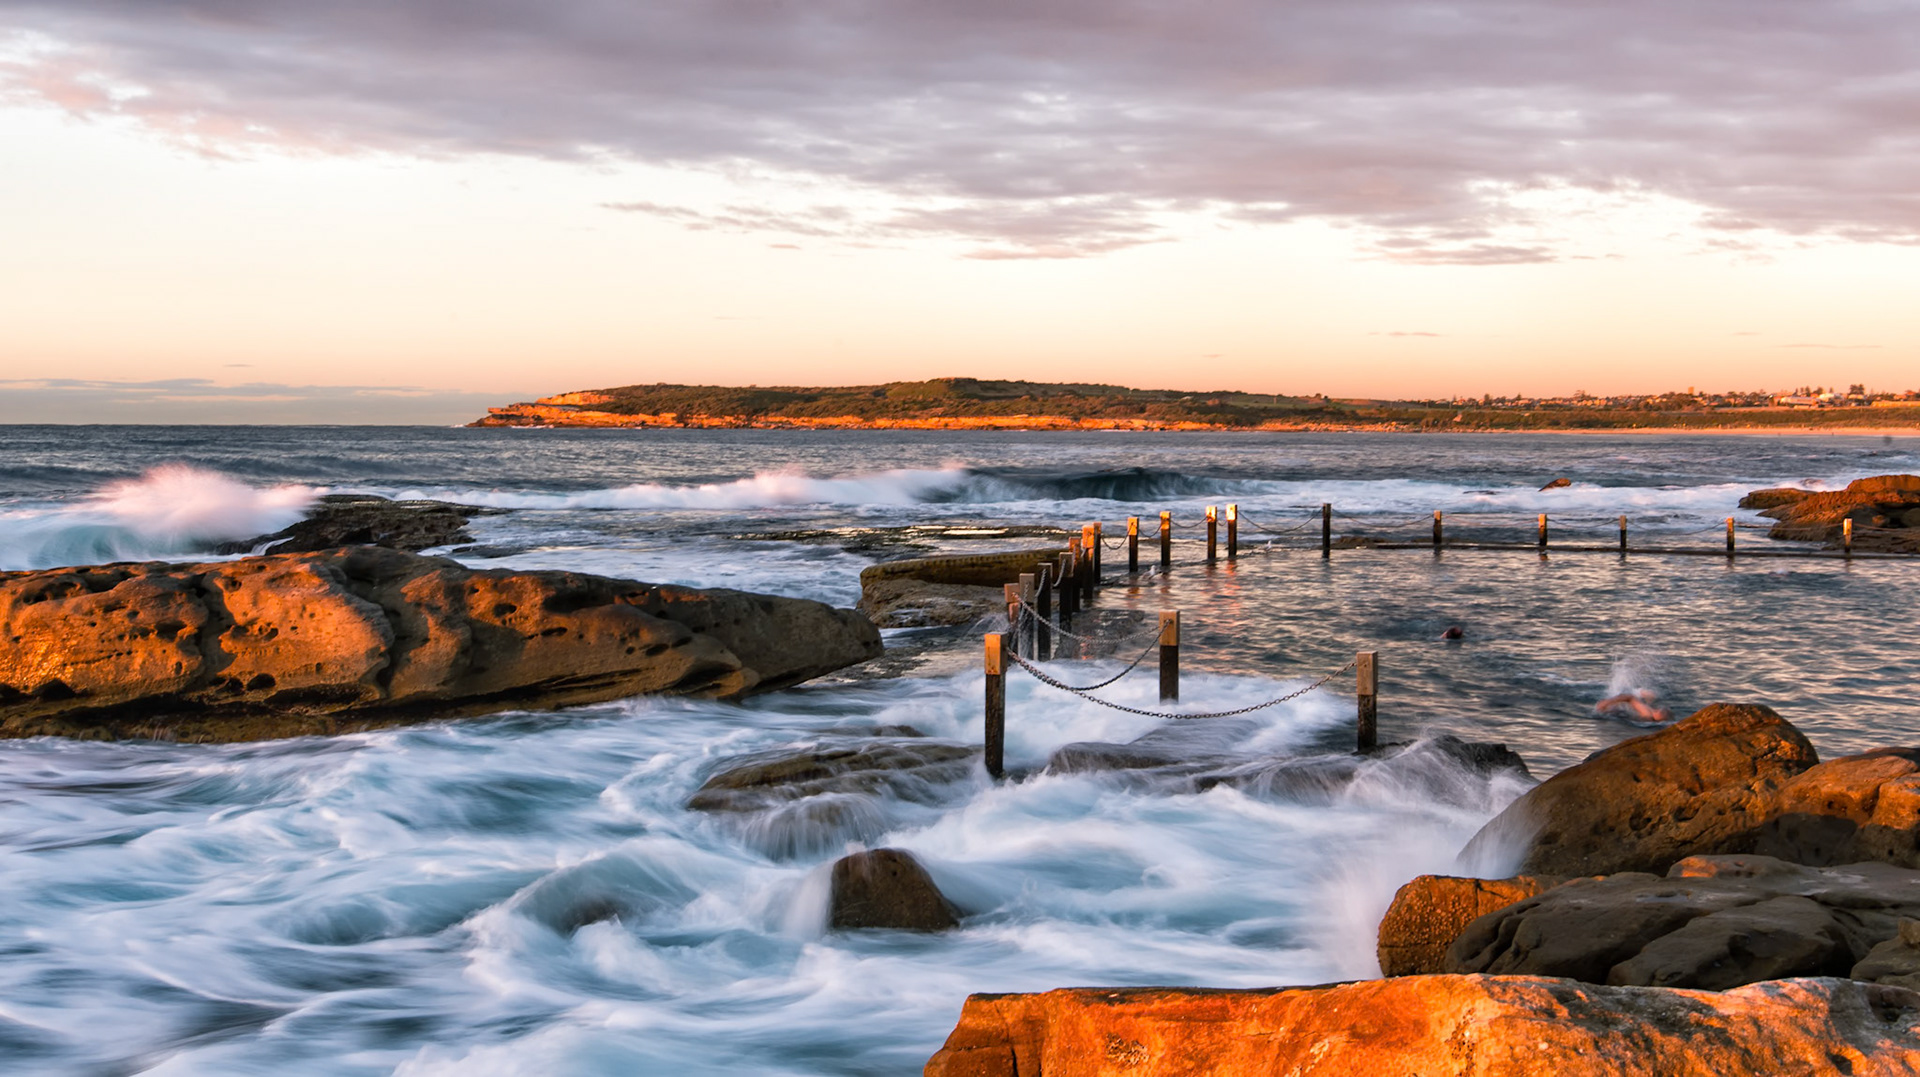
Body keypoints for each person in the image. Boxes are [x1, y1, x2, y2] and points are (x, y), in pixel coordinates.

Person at [1596, 688, 1671, 724]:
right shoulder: (1648, 713)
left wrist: (1606, 703)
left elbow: (1630, 697)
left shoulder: (1647, 714)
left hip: (1622, 711)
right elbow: (1630, 697)